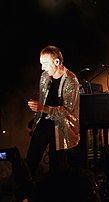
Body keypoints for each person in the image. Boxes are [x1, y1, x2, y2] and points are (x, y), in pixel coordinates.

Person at [18, 45, 81, 201]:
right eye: (41, 64)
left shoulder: (71, 81)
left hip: (63, 127)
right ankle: (24, 195)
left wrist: (43, 108)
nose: (42, 68)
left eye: (45, 64)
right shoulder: (45, 76)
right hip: (46, 122)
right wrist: (34, 119)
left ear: (57, 62)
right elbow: (43, 100)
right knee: (31, 159)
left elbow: (66, 112)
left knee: (58, 166)